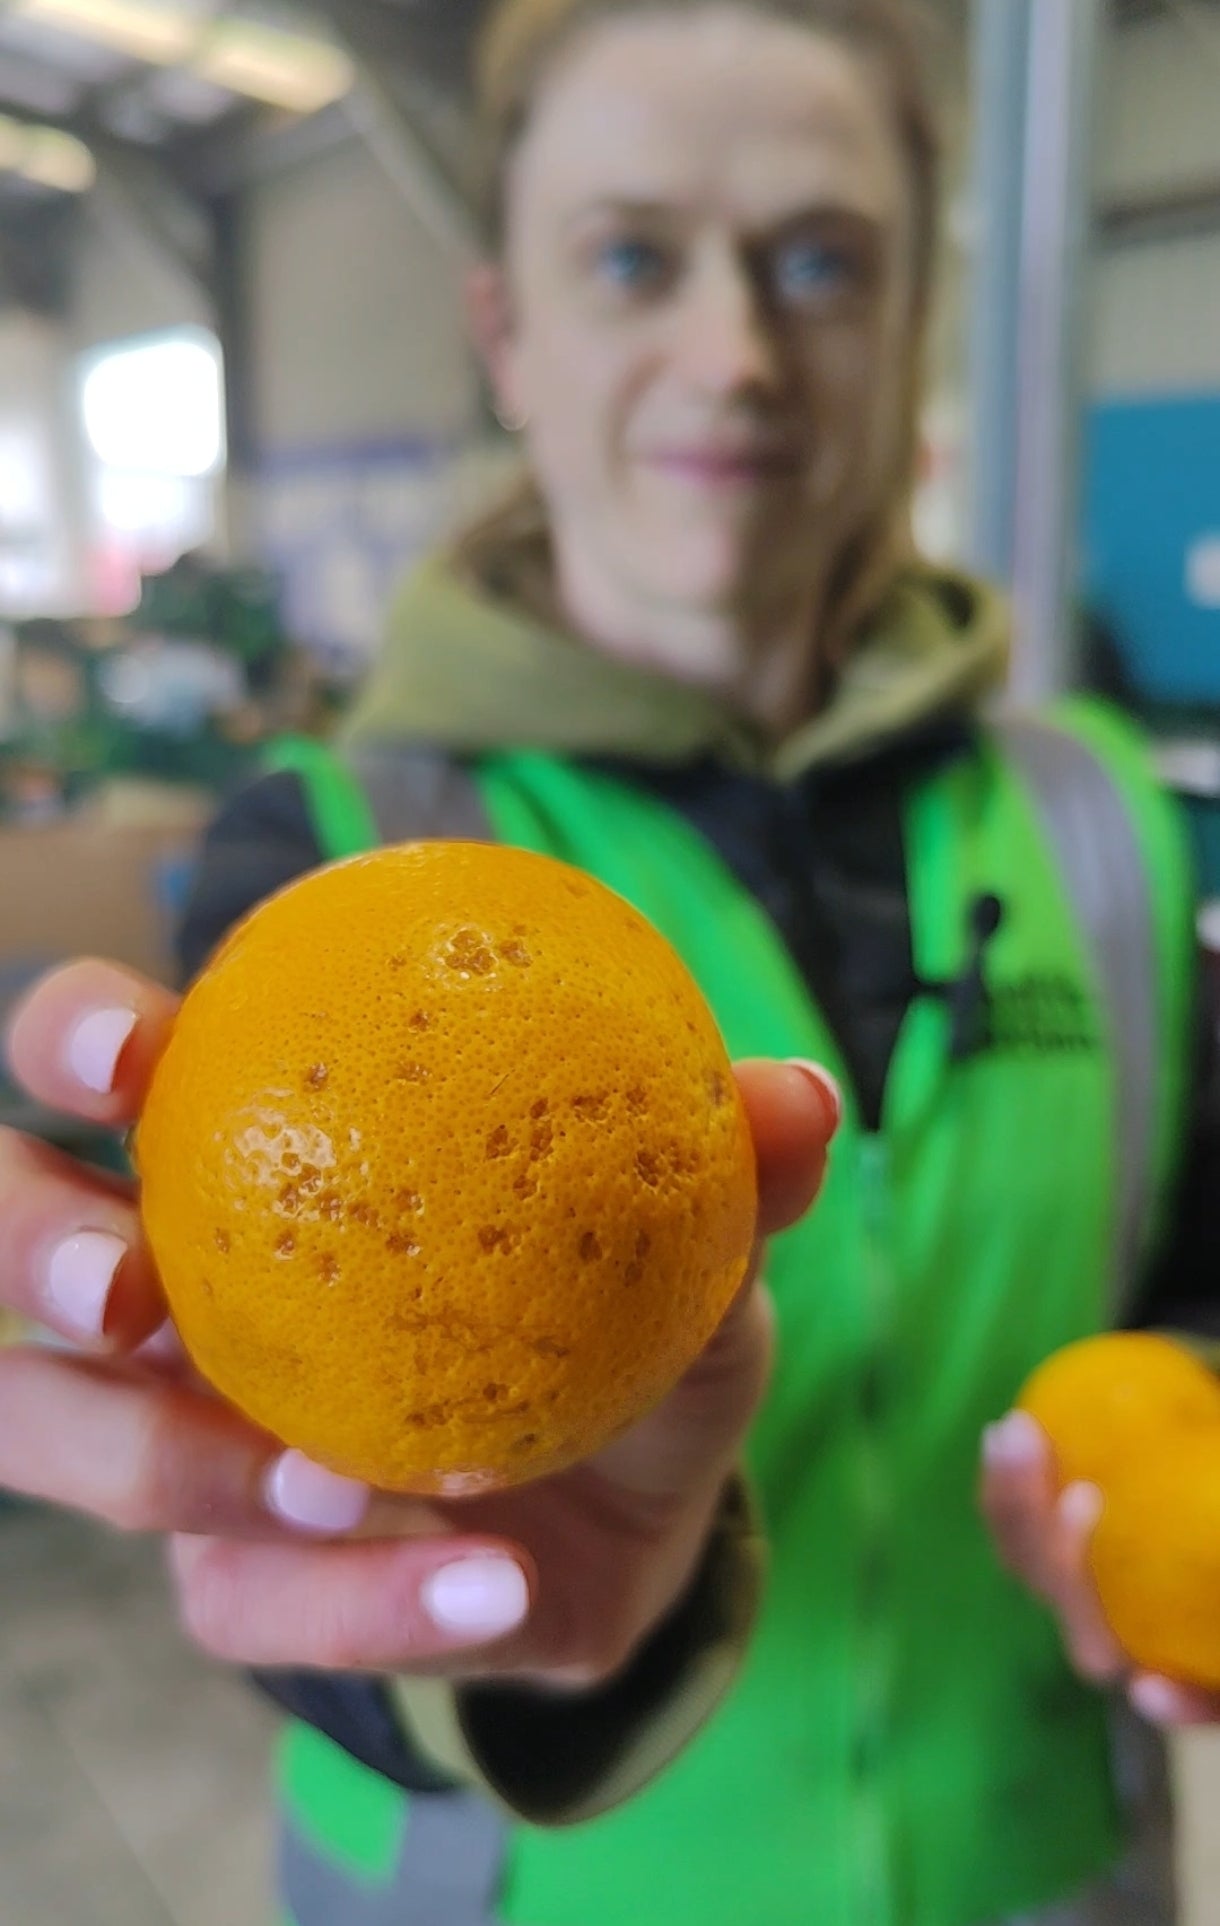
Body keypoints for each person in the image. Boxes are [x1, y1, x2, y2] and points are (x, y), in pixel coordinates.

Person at [3, 1, 1220, 1921]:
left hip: (1043, 1864)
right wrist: (466, 1618)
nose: (735, 356)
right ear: (508, 334)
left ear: (910, 322)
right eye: (634, 259)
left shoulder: (1103, 820)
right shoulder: (335, 862)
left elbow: (1191, 1277)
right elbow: (282, 1466)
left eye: (819, 264)